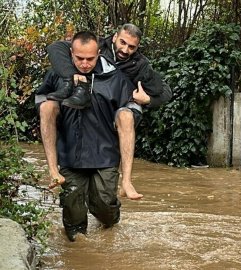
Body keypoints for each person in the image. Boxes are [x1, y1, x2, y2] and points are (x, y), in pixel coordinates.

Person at [44, 23, 172, 200]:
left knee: (126, 116)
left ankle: (126, 181)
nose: (125, 50)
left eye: (131, 47)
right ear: (114, 38)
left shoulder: (141, 65)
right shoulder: (98, 47)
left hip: (124, 104)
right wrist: (71, 75)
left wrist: (148, 100)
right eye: (122, 42)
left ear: (138, 47)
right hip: (99, 102)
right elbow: (56, 48)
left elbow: (165, 92)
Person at [36, 31, 134, 241]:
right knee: (74, 220)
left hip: (105, 155)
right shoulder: (57, 75)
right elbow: (42, 100)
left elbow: (129, 113)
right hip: (70, 155)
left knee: (105, 208)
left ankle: (110, 223)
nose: (85, 64)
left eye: (90, 58)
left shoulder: (114, 76)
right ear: (71, 53)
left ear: (98, 53)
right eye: (79, 58)